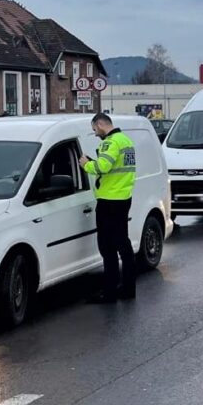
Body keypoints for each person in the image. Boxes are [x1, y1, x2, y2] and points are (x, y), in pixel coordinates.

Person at [80, 113, 137, 303]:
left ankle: (110, 291)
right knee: (123, 244)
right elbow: (115, 168)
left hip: (109, 200)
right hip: (123, 197)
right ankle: (128, 288)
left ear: (100, 124)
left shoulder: (110, 142)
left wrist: (86, 164)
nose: (96, 134)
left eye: (95, 129)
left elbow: (103, 167)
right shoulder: (126, 140)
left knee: (107, 246)